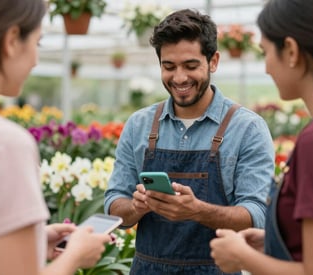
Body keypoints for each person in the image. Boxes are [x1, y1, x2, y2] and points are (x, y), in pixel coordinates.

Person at [104, 8, 275, 275]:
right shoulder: (139, 125)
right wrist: (135, 208)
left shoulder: (247, 128)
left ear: (213, 61)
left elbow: (257, 215)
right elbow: (114, 202)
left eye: (191, 66)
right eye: (169, 66)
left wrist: (197, 211)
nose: (180, 78)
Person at [0, 1, 111, 275]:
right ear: (11, 41)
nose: (36, 60)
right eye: (37, 43)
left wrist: (32, 241)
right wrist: (75, 255)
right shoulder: (3, 144)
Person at [210, 0, 313, 274]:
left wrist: (241, 257)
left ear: (290, 50)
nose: (266, 68)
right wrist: (277, 241)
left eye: (265, 52)